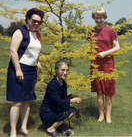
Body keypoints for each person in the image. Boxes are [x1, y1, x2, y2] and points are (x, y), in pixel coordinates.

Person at [6, 8, 44, 137]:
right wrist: (18, 70)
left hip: (31, 70)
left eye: (39, 22)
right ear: (27, 19)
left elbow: (35, 51)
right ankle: (13, 132)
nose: (36, 24)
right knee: (17, 101)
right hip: (18, 69)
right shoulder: (19, 32)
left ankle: (23, 128)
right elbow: (13, 51)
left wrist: (37, 62)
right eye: (34, 21)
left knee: (27, 100)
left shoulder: (37, 34)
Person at [88, 8, 120, 123]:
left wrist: (106, 52)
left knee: (108, 90)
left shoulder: (110, 31)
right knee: (99, 90)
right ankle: (101, 115)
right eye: (96, 17)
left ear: (105, 17)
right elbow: (90, 46)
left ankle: (108, 116)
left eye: (101, 17)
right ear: (94, 18)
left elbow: (117, 47)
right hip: (96, 64)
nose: (99, 20)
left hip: (108, 64)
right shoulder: (91, 31)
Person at [40, 60, 82, 137]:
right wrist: (72, 100)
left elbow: (63, 99)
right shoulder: (52, 85)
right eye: (62, 70)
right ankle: (51, 129)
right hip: (47, 114)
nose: (65, 73)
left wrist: (69, 100)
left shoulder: (63, 83)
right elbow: (59, 102)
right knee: (71, 112)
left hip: (55, 110)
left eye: (67, 70)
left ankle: (58, 126)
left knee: (72, 110)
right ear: (56, 70)